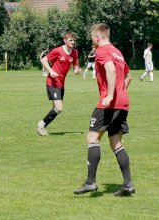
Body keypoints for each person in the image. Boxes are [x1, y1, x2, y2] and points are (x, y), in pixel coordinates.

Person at [74, 23, 135, 196]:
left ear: (98, 37)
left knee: (92, 138)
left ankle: (91, 182)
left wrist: (109, 94)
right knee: (116, 143)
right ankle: (128, 184)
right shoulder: (118, 52)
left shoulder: (101, 50)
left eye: (92, 38)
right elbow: (128, 76)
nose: (92, 40)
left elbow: (110, 69)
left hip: (108, 103)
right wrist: (120, 92)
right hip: (123, 103)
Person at [37, 32, 82, 136]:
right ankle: (41, 124)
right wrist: (51, 71)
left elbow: (75, 66)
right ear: (65, 40)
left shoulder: (74, 52)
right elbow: (43, 60)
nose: (73, 42)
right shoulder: (57, 51)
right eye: (70, 40)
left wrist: (77, 71)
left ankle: (42, 126)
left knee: (56, 109)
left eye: (74, 40)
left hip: (61, 84)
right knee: (59, 107)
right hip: (52, 82)